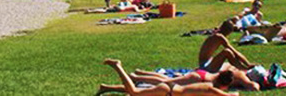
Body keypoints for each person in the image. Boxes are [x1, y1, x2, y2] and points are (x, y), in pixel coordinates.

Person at [98, 59, 241, 96]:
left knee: (137, 92)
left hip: (170, 90)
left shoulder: (209, 87)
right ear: (224, 85)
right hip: (168, 91)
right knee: (134, 92)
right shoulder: (211, 89)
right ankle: (118, 66)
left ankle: (105, 87)